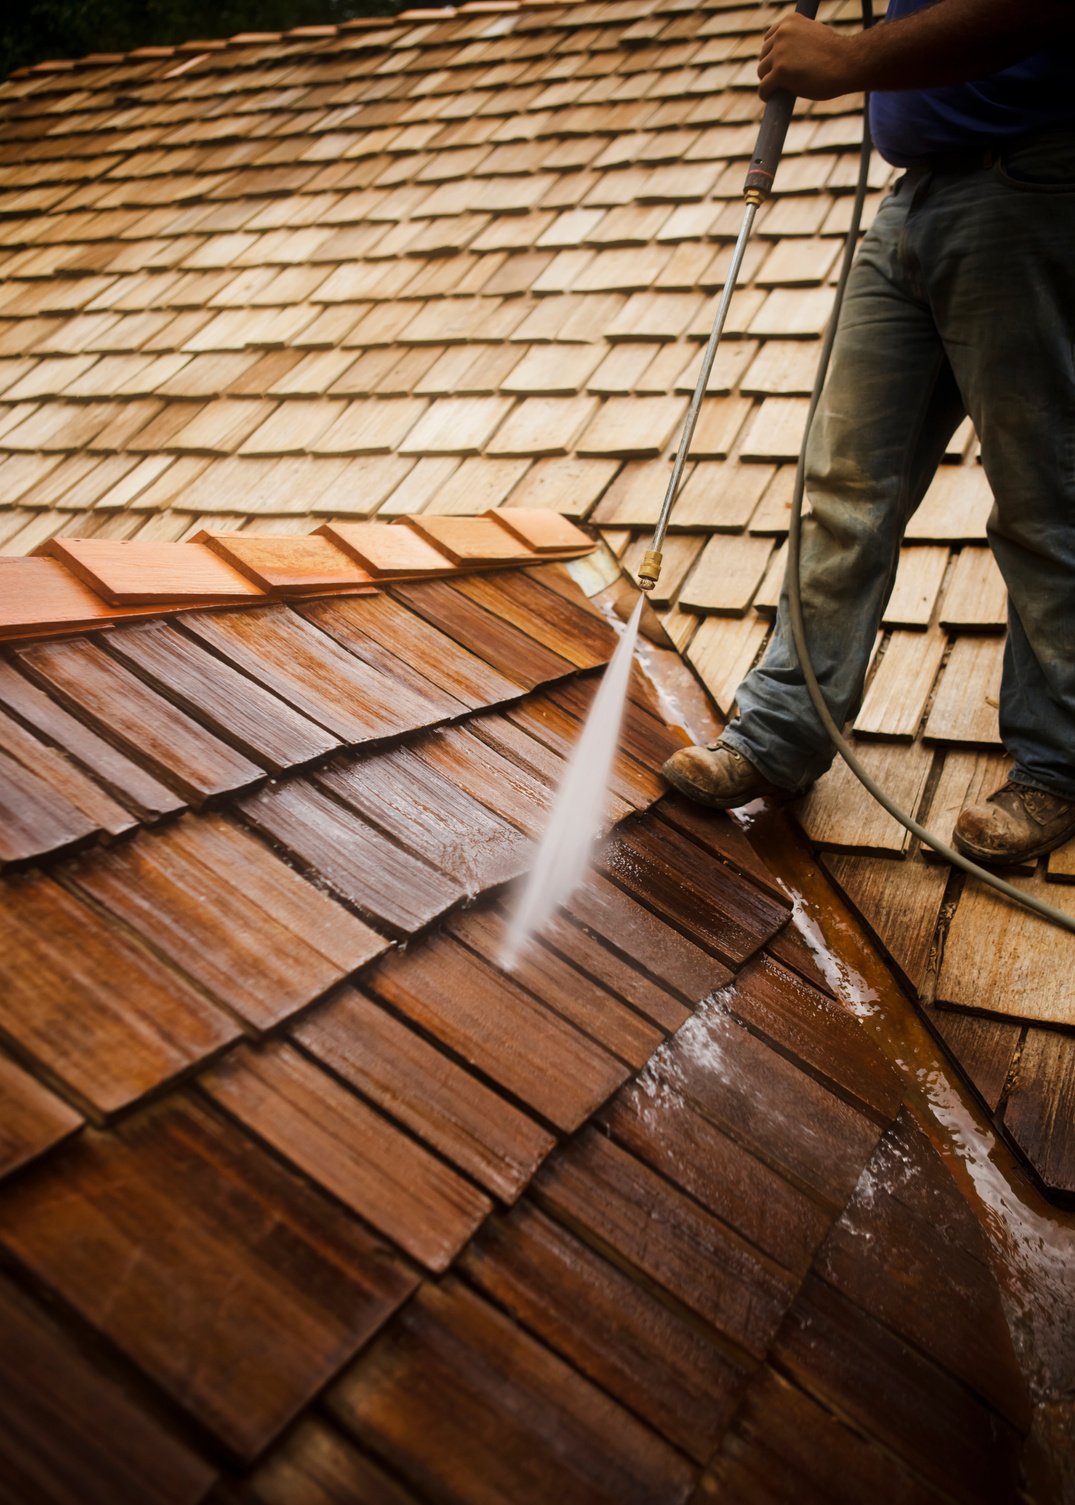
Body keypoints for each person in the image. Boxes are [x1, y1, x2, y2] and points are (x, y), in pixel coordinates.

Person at [662, 0, 1075, 865]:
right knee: (842, 480)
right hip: (917, 195)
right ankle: (777, 735)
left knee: (1044, 495)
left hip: (1032, 181)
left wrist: (851, 58)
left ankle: (1059, 769)